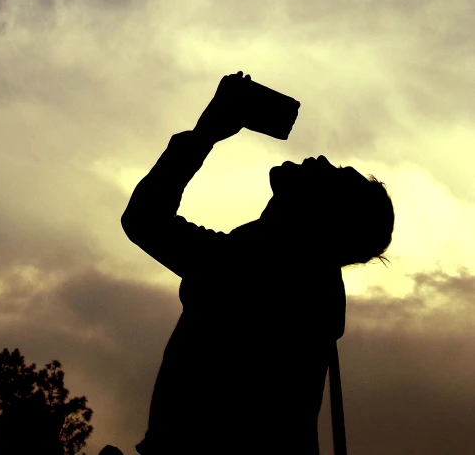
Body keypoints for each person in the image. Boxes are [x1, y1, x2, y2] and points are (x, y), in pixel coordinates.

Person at [122, 72, 394, 454]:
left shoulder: (273, 267)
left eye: (333, 175)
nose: (321, 159)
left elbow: (145, 221)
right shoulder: (283, 265)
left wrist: (207, 132)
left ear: (324, 217)